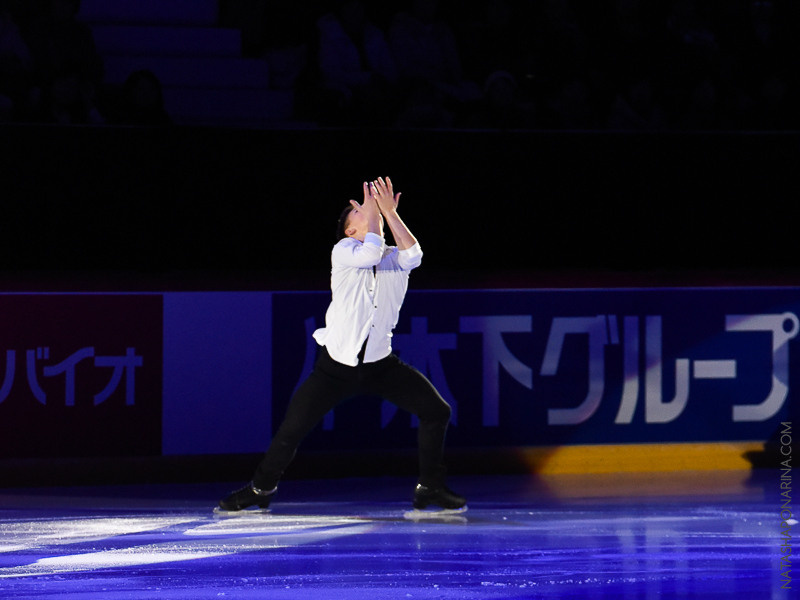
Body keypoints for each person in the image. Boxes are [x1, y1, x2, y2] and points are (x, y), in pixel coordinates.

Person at [219, 177, 466, 514]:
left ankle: (430, 487)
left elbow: (414, 254)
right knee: (292, 429)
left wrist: (390, 213)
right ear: (350, 231)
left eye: (366, 207)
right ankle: (261, 488)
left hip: (381, 365)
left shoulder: (393, 257)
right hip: (335, 368)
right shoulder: (346, 252)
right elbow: (372, 251)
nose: (366, 209)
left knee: (437, 411)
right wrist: (376, 215)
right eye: (358, 211)